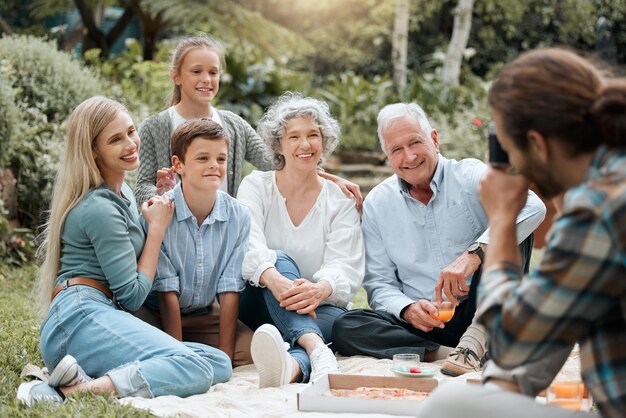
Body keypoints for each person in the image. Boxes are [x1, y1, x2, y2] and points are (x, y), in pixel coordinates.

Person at [421, 48, 626, 418]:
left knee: (451, 404)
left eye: (509, 147)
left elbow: (513, 344)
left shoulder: (598, 213)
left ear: (537, 143)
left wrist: (500, 222)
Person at [17, 97, 232, 405]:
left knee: (217, 362)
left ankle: (87, 380)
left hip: (101, 312)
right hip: (78, 318)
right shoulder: (99, 207)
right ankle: (68, 393)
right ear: (93, 150)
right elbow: (132, 294)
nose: (131, 143)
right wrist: (156, 230)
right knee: (193, 366)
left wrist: (162, 199)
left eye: (131, 131)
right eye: (116, 139)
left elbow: (131, 253)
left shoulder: (124, 193)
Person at [332, 102, 546, 376]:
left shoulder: (469, 175)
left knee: (514, 227)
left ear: (434, 139)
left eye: (415, 142)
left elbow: (533, 206)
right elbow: (379, 284)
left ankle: (477, 339)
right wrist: (408, 309)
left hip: (483, 307)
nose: (408, 157)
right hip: (426, 325)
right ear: (387, 156)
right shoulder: (377, 203)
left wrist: (473, 255)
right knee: (346, 326)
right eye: (396, 149)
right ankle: (450, 353)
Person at [135, 35, 363, 209]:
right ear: (176, 76)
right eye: (196, 71)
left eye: (213, 73)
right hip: (173, 235)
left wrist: (332, 181)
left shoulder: (234, 126)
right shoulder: (156, 127)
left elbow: (279, 162)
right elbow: (142, 185)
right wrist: (159, 194)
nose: (206, 79)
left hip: (222, 236)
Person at [237, 93, 364, 387]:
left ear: (325, 141)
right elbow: (247, 244)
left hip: (317, 305)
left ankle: (294, 366)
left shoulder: (339, 201)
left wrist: (320, 289)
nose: (305, 145)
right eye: (293, 136)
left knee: (337, 322)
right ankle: (319, 349)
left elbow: (345, 265)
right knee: (278, 258)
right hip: (258, 300)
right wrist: (274, 279)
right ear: (279, 144)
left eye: (313, 135)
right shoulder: (256, 186)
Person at [133, 118, 253, 367]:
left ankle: (203, 353)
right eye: (203, 158)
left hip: (203, 314)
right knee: (138, 348)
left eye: (221, 159)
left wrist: (225, 356)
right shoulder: (159, 212)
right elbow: (166, 290)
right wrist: (180, 357)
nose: (214, 166)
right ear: (178, 164)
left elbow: (229, 289)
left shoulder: (238, 215)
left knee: (251, 352)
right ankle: (180, 354)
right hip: (154, 313)